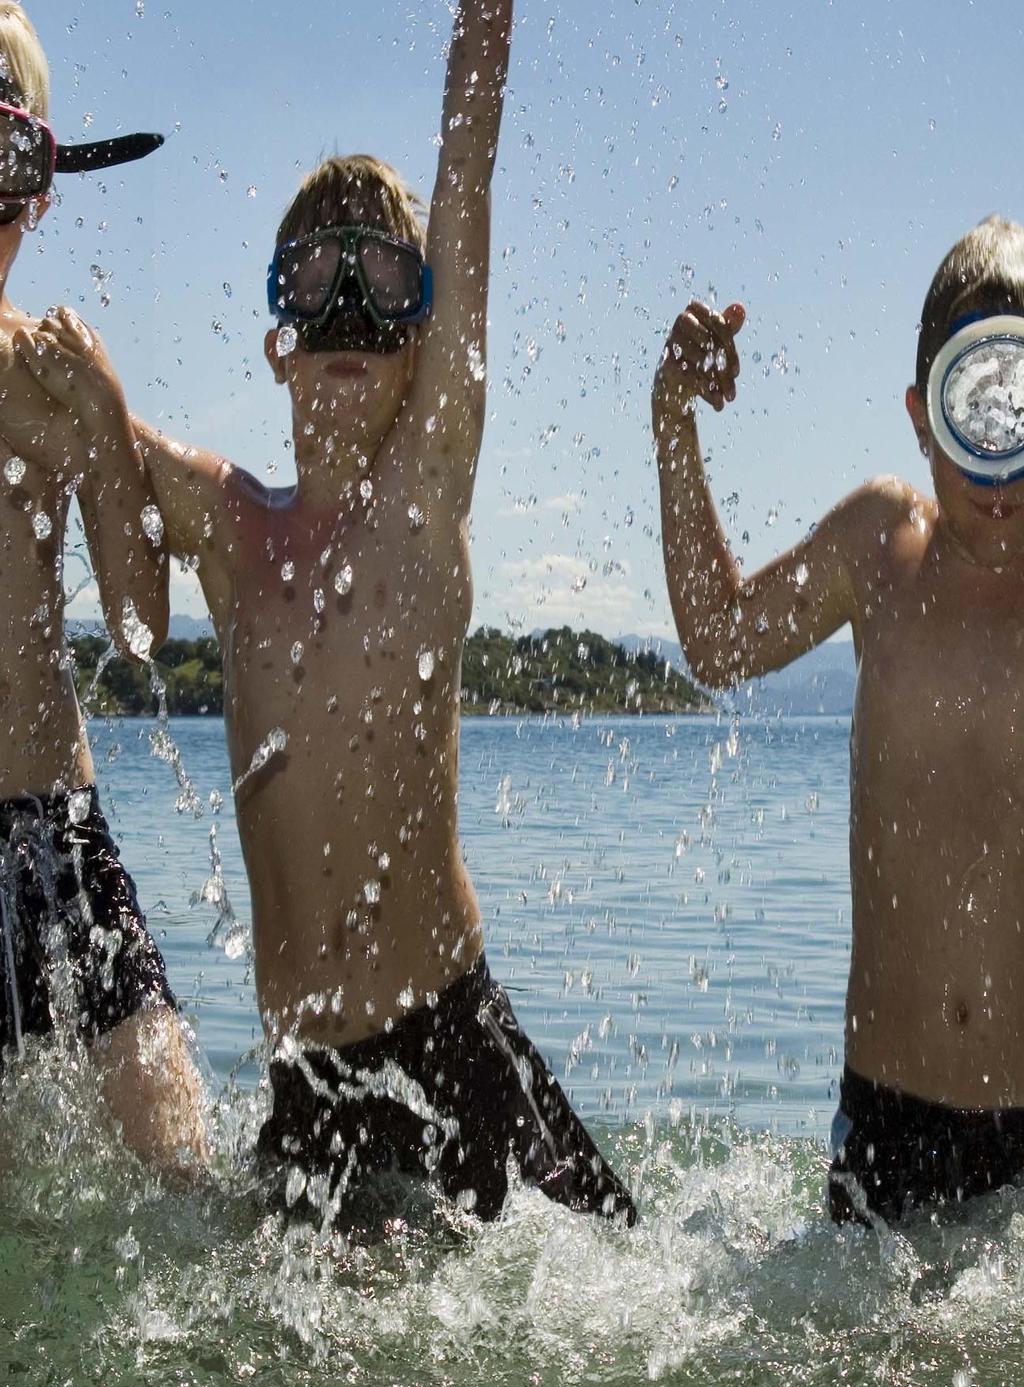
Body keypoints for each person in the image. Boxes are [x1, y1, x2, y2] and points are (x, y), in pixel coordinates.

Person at [16, 0, 635, 1228]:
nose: (350, 306)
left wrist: (482, 40)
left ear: (423, 340)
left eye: (385, 280)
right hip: (308, 1078)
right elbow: (105, 480)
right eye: (317, 278)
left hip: (452, 1030)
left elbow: (468, 167)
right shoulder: (226, 525)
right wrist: (99, 398)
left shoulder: (424, 497)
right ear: (275, 343)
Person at [653, 215, 1024, 1224]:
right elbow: (718, 640)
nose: (998, 459)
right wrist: (672, 421)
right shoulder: (882, 546)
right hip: (886, 1122)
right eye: (970, 407)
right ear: (918, 414)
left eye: (1019, 406)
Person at [0, 3, 206, 1176]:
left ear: (42, 187)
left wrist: (104, 416)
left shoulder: (55, 377)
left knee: (180, 1174)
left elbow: (139, 629)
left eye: (4, 160)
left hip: (57, 835)